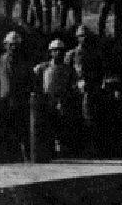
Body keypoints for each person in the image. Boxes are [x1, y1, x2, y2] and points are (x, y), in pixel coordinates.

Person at [0, 31, 36, 165]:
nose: (14, 48)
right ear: (5, 45)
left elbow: (32, 85)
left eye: (17, 45)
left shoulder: (25, 65)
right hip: (1, 107)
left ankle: (26, 165)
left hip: (20, 107)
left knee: (21, 137)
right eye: (11, 45)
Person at [33, 38, 78, 160]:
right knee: (48, 127)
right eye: (55, 50)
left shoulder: (69, 69)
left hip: (64, 101)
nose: (58, 53)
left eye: (61, 51)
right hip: (47, 101)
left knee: (63, 127)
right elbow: (34, 82)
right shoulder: (42, 68)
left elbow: (73, 85)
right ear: (51, 52)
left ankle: (63, 152)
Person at [64, 26, 104, 157]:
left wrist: (96, 86)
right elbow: (65, 73)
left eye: (86, 36)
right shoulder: (71, 54)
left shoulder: (95, 54)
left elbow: (101, 73)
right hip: (75, 92)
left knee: (91, 120)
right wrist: (74, 85)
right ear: (77, 38)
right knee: (74, 120)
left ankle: (91, 148)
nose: (84, 39)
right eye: (81, 36)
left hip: (91, 91)